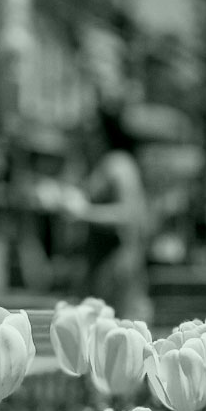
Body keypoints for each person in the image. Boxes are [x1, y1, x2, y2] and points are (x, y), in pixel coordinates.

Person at [58, 114, 151, 321]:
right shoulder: (97, 162)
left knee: (120, 333)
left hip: (118, 269)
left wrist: (84, 212)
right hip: (98, 268)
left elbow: (129, 214)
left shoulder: (118, 163)